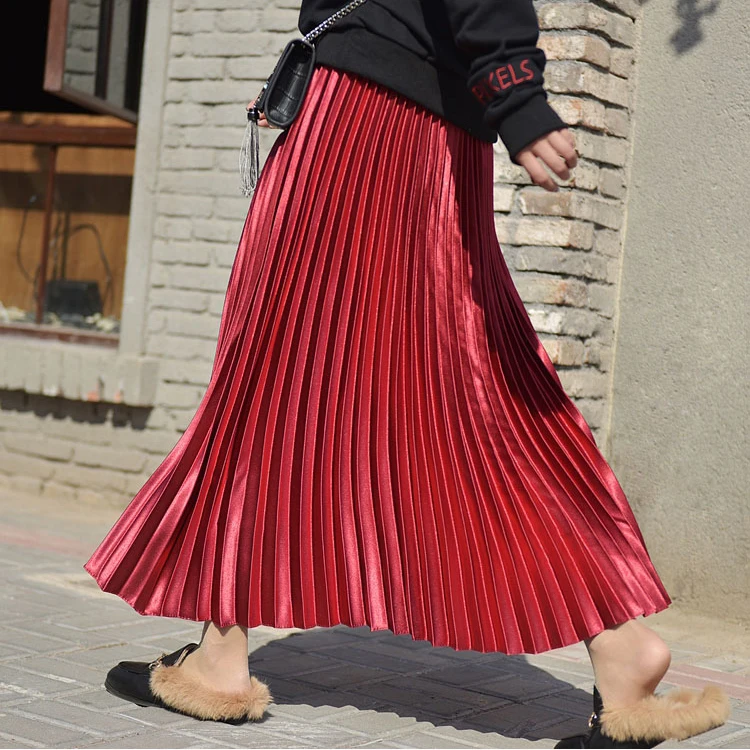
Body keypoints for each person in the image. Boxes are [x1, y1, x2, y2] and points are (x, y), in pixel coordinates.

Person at [84, 0, 730, 746]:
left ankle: (219, 658)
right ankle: (620, 646)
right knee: (464, 397)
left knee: (274, 377)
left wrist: (516, 89)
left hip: (362, 127)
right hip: (426, 135)